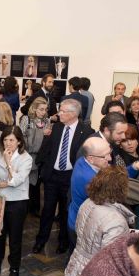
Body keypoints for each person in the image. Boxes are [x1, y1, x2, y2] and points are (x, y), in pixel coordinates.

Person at [64, 166, 134, 276]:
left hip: (80, 259)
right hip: (95, 269)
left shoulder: (88, 203)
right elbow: (111, 257)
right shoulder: (116, 221)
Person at [33, 100, 94, 255]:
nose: (58, 113)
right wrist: (42, 168)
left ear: (74, 113)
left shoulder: (86, 132)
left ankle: (63, 242)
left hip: (71, 177)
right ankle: (41, 241)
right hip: (52, 176)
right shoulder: (56, 128)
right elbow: (46, 149)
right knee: (47, 210)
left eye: (63, 111)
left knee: (66, 212)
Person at [0, 126, 32, 276]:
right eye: (5, 140)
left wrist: (9, 163)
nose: (8, 143)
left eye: (11, 140)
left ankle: (14, 269)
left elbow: (17, 181)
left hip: (17, 203)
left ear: (19, 141)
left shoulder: (26, 158)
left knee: (15, 238)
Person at [19, 98, 51, 215]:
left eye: (45, 109)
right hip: (27, 156)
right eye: (41, 109)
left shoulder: (47, 121)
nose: (43, 112)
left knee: (36, 184)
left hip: (40, 158)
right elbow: (21, 137)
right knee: (25, 182)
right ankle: (24, 208)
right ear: (34, 108)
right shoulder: (27, 120)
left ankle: (34, 208)